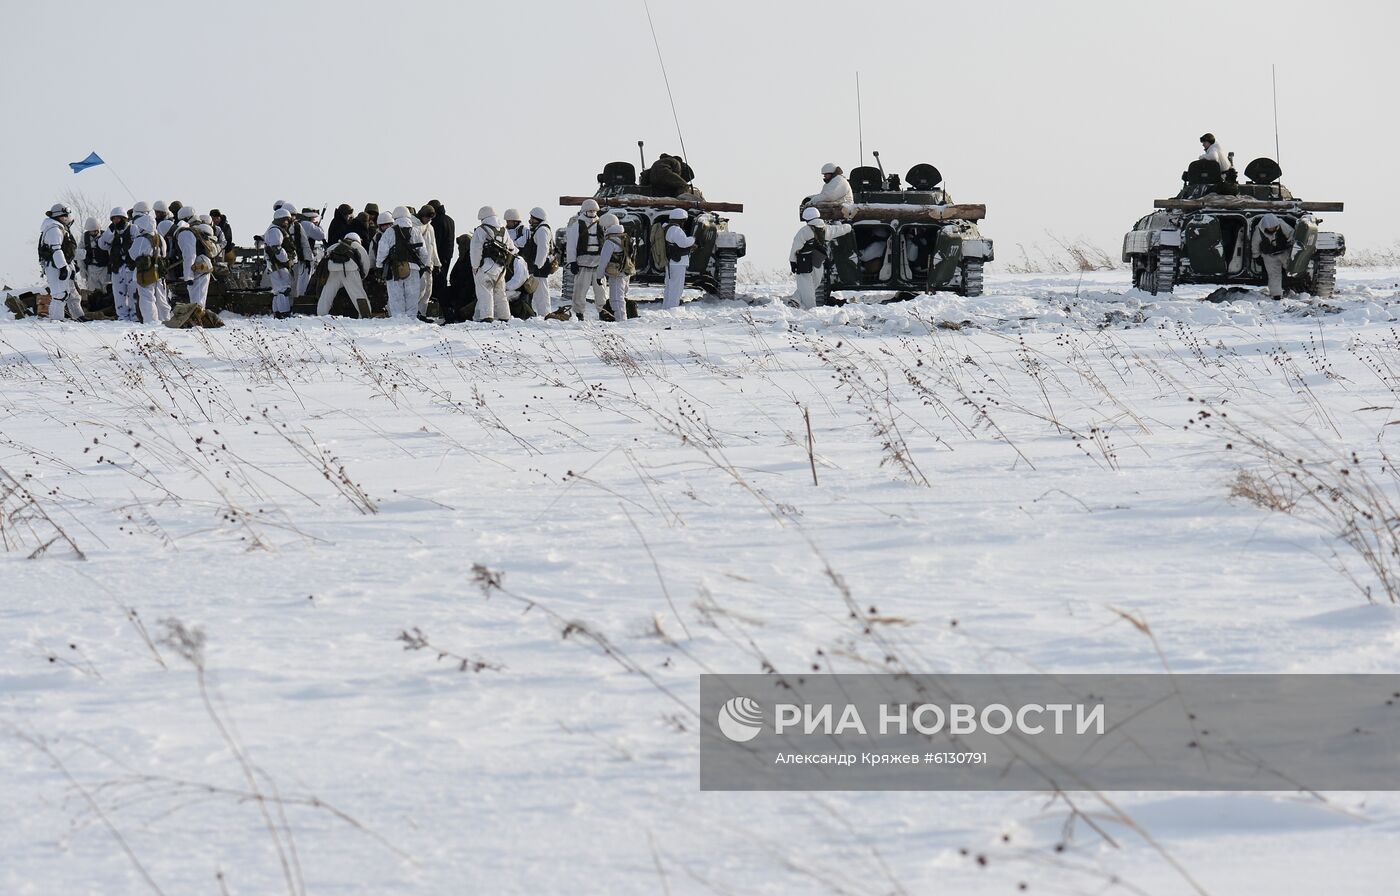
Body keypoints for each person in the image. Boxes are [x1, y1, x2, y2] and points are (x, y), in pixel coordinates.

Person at [790, 206, 852, 310]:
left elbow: (795, 247)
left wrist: (792, 261)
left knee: (805, 285)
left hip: (803, 261)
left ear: (806, 219)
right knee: (815, 283)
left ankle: (811, 308)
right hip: (818, 261)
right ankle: (796, 300)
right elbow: (839, 230)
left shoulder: (804, 231)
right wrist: (848, 226)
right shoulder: (826, 229)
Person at [375, 212, 430, 319]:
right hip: (413, 268)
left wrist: (379, 265)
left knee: (396, 297)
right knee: (412, 297)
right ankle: (411, 319)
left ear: (395, 218)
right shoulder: (415, 231)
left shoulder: (389, 232)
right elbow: (424, 252)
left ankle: (398, 319)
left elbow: (382, 251)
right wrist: (422, 265)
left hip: (395, 269)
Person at [38, 204, 82, 320]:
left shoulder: (60, 228)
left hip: (64, 264)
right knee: (60, 295)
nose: (67, 218)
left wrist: (72, 265)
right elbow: (56, 250)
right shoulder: (54, 229)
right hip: (55, 266)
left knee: (72, 294)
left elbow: (67, 249)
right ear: (60, 216)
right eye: (65, 216)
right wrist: (63, 267)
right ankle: (57, 320)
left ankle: (78, 316)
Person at [565, 199, 607, 320]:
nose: (592, 212)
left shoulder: (601, 223)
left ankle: (603, 311)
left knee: (601, 291)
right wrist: (572, 261)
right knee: (580, 291)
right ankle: (579, 313)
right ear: (584, 211)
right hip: (583, 263)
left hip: (598, 264)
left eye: (594, 210)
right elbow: (571, 244)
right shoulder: (577, 224)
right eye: (590, 210)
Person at [470, 207, 513, 322]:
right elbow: (512, 249)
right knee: (500, 293)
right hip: (500, 268)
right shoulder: (504, 231)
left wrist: (475, 266)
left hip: (484, 268)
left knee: (485, 293)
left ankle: (487, 317)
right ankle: (505, 317)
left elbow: (475, 250)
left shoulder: (481, 230)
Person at [128, 214, 172, 324]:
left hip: (146, 272)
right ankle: (165, 319)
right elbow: (165, 253)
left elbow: (133, 254)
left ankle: (151, 321)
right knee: (161, 297)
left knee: (147, 297)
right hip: (159, 271)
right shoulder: (160, 237)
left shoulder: (141, 239)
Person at [317, 232, 372, 316]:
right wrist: (361, 277)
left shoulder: (335, 245)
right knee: (358, 294)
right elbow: (366, 265)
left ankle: (321, 314)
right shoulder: (358, 247)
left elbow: (326, 258)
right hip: (350, 270)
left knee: (327, 294)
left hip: (332, 270)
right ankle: (365, 314)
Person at [99, 207, 138, 322]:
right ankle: (122, 317)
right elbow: (102, 245)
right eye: (114, 219)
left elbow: (138, 243)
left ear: (124, 218)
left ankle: (135, 317)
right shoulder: (111, 231)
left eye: (118, 218)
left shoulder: (133, 229)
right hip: (117, 267)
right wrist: (109, 233)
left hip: (130, 267)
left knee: (132, 294)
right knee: (118, 295)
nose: (116, 221)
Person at [594, 221, 633, 322]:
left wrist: (599, 276)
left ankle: (621, 320)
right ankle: (622, 319)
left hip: (616, 274)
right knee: (622, 297)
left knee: (616, 299)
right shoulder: (626, 238)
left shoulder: (610, 241)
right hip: (626, 272)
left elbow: (603, 261)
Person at [520, 207, 556, 316]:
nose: (530, 221)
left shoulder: (542, 230)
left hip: (540, 267)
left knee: (541, 292)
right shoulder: (539, 229)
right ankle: (544, 313)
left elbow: (543, 249)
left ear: (538, 219)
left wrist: (537, 265)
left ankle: (545, 314)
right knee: (539, 291)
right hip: (539, 266)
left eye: (532, 218)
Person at [1251, 213, 1295, 300]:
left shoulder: (1281, 224)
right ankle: (1276, 295)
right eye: (1270, 228)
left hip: (1284, 252)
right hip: (1269, 255)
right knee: (1274, 275)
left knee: (1291, 269)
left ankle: (1295, 286)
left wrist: (1293, 249)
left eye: (1273, 227)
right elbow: (1255, 244)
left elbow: (1291, 234)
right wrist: (1256, 256)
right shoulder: (1259, 230)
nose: (1272, 229)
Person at [264, 208, 298, 319]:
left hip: (276, 265)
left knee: (278, 290)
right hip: (278, 265)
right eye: (286, 220)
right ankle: (284, 313)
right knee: (284, 289)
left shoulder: (275, 229)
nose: (287, 223)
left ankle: (278, 312)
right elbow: (277, 248)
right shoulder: (275, 230)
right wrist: (286, 259)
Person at [661, 208, 694, 310]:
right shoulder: (675, 230)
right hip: (677, 262)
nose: (684, 222)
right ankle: (672, 309)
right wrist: (693, 239)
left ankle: (666, 308)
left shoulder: (668, 228)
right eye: (683, 220)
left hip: (672, 261)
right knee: (676, 288)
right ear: (680, 219)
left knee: (670, 287)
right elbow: (683, 243)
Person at [443, 233, 478, 324]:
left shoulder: (473, 257)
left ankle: (457, 316)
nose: (459, 248)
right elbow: (453, 274)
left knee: (463, 295)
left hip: (470, 289)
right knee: (444, 293)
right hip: (459, 286)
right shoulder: (461, 259)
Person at [427, 200, 455, 311]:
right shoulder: (450, 220)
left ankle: (439, 306)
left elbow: (435, 242)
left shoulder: (436, 222)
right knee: (443, 280)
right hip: (448, 255)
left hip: (439, 256)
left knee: (437, 282)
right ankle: (444, 306)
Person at [414, 204, 440, 321]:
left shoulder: (430, 228)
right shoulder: (414, 226)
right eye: (427, 217)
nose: (429, 220)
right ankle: (415, 313)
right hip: (418, 264)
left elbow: (433, 246)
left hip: (428, 264)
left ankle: (422, 313)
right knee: (419, 289)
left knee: (427, 290)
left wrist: (437, 263)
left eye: (431, 218)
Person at [295, 209, 326, 298]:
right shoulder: (307, 224)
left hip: (299, 255)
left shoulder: (299, 223)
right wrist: (318, 227)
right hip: (306, 256)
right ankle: (303, 298)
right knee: (304, 280)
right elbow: (321, 236)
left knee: (300, 279)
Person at [79, 217, 110, 305]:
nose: (93, 232)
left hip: (104, 267)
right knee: (92, 291)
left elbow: (110, 253)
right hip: (91, 267)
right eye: (91, 231)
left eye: (95, 230)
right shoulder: (84, 237)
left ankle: (107, 306)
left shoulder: (105, 236)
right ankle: (95, 307)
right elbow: (80, 254)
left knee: (106, 289)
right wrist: (82, 269)